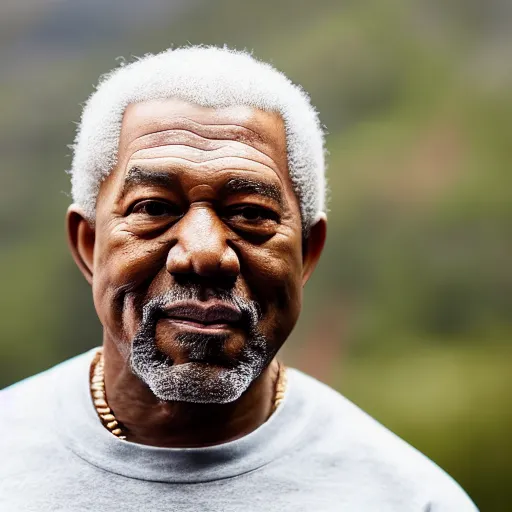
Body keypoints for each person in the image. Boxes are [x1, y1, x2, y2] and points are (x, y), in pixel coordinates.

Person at [0, 46, 478, 511]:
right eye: (155, 208)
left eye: (250, 213)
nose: (205, 254)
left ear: (307, 253)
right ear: (89, 245)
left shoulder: (409, 498)